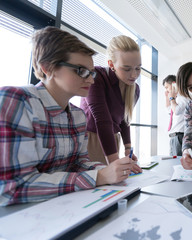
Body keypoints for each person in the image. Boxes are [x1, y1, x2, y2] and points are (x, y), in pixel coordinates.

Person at [0, 27, 136, 206]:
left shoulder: (78, 116)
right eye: (81, 71)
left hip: (64, 207)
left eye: (92, 72)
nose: (91, 80)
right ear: (48, 68)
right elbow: (11, 188)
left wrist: (112, 169)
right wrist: (98, 176)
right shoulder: (16, 101)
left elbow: (79, 164)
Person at [80, 35, 141, 175]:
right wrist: (115, 164)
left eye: (138, 68)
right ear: (111, 64)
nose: (134, 75)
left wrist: (127, 148)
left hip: (112, 138)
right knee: (95, 183)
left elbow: (125, 120)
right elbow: (102, 120)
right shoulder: (96, 76)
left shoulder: (135, 89)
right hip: (91, 138)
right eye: (127, 69)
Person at [162, 75, 188, 156]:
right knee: (172, 163)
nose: (166, 90)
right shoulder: (176, 99)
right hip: (174, 137)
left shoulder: (183, 97)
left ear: (174, 84)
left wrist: (172, 98)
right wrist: (168, 97)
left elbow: (176, 111)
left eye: (167, 87)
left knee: (178, 164)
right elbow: (169, 110)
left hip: (180, 135)